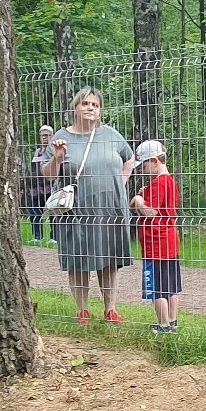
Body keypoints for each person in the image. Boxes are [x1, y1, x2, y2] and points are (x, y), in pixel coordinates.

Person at [44, 87, 135, 322]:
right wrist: (58, 158)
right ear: (75, 107)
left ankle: (110, 309)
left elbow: (131, 159)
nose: (90, 108)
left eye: (94, 105)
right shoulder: (60, 137)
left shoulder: (111, 134)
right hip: (76, 209)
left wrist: (121, 183)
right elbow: (47, 175)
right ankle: (82, 309)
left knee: (109, 258)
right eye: (85, 103)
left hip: (110, 207)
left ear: (100, 110)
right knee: (78, 258)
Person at [129, 139, 182, 333]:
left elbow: (150, 212)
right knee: (172, 285)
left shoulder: (159, 182)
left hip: (156, 244)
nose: (142, 170)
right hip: (169, 242)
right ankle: (173, 321)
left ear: (154, 161)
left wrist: (138, 199)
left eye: (144, 165)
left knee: (158, 288)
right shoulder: (170, 181)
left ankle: (163, 324)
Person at [25, 125, 56, 245]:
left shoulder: (53, 152)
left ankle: (54, 238)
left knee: (53, 212)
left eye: (48, 135)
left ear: (52, 137)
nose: (45, 138)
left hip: (51, 187)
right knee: (34, 212)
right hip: (36, 189)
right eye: (43, 135)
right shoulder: (36, 152)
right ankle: (37, 237)